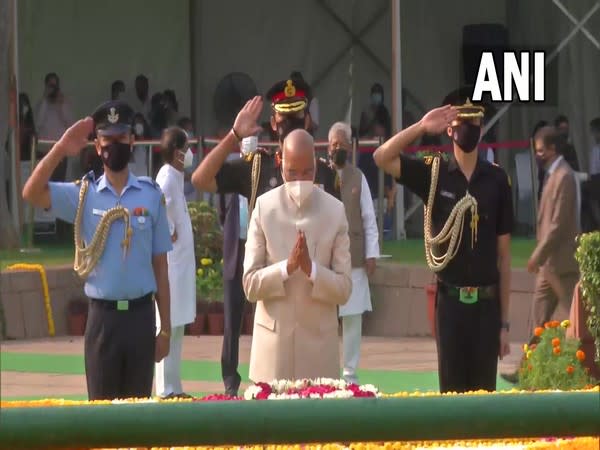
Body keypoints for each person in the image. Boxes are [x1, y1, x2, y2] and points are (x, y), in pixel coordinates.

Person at [191, 79, 339, 394]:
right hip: (273, 310)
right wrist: (234, 136)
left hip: (316, 315)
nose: (290, 128)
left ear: (309, 121)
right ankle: (230, 380)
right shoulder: (256, 167)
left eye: (297, 120)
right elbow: (201, 178)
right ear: (272, 124)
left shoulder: (323, 172)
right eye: (283, 121)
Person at [22, 100, 172, 400]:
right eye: (108, 139)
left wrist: (165, 329)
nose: (114, 145)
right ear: (97, 144)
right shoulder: (84, 194)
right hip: (104, 320)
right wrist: (61, 149)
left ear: (132, 141)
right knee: (101, 417)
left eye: (121, 138)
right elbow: (31, 192)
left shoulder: (151, 195)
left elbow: (160, 266)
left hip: (141, 316)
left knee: (138, 417)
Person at [373, 99, 513, 393]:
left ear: (481, 127)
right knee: (451, 394)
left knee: (484, 396)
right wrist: (421, 126)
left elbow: (504, 257)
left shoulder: (497, 180)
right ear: (449, 130)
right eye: (461, 124)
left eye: (474, 124)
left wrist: (505, 325)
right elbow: (382, 157)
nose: (468, 130)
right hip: (450, 305)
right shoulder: (433, 173)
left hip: (487, 307)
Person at [242, 129, 352, 382]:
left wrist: (312, 270)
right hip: (272, 353)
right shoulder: (264, 207)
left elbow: (345, 289)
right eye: (292, 172)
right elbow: (249, 285)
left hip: (319, 353)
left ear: (316, 166)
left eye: (307, 172)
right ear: (280, 164)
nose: (300, 180)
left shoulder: (335, 212)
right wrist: (286, 268)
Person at [502, 126, 580, 384]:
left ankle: (584, 366)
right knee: (538, 318)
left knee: (575, 317)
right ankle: (526, 369)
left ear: (553, 149)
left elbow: (557, 225)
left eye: (540, 150)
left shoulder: (564, 176)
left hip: (561, 263)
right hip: (549, 265)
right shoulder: (552, 174)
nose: (537, 154)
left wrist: (537, 254)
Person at [328, 122, 379, 384]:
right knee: (324, 318)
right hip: (324, 259)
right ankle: (325, 372)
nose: (337, 148)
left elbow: (369, 218)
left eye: (341, 144)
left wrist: (372, 253)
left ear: (349, 147)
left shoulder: (359, 177)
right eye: (333, 144)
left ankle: (349, 374)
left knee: (352, 317)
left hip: (354, 257)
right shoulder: (319, 175)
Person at [154, 127, 196, 399]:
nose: (191, 153)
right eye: (187, 147)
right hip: (171, 266)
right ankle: (165, 388)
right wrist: (170, 232)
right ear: (178, 152)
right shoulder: (167, 178)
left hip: (181, 265)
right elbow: (163, 218)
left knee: (178, 326)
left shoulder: (176, 177)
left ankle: (175, 386)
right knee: (166, 326)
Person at [35, 72, 74, 181]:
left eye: (54, 86)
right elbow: (38, 123)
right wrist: (45, 99)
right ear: (46, 86)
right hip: (44, 151)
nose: (53, 89)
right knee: (45, 183)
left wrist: (60, 105)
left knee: (59, 184)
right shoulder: (41, 104)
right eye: (50, 86)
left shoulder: (64, 103)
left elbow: (69, 124)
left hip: (59, 152)